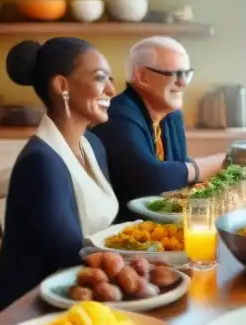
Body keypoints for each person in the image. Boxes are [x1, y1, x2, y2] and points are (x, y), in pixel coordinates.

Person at [0, 38, 118, 312]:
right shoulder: (40, 163)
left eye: (111, 79)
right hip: (33, 309)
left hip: (81, 292)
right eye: (100, 79)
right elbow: (70, 255)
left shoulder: (93, 145)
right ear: (62, 86)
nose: (111, 90)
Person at [92, 37, 225, 215]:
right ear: (142, 76)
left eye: (186, 74)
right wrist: (204, 166)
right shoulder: (117, 114)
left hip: (162, 227)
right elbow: (149, 180)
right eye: (174, 74)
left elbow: (178, 183)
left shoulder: (172, 114)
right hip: (124, 230)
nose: (183, 83)